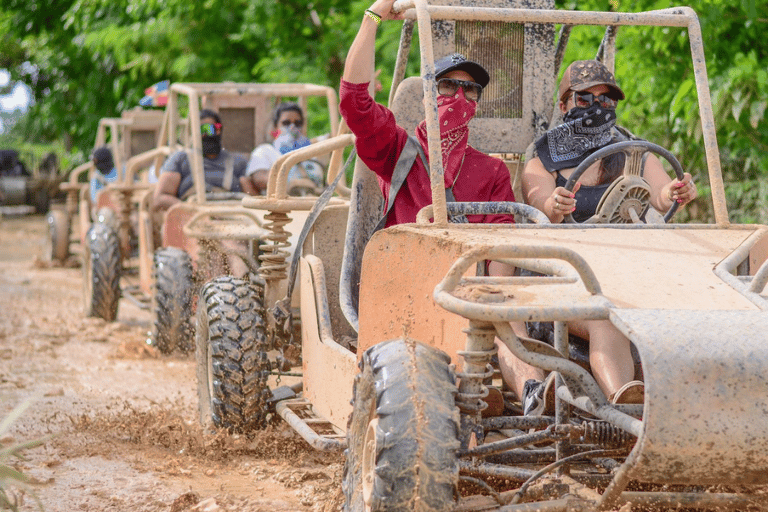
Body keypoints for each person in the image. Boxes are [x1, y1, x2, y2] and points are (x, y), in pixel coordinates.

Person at [339, 0, 541, 407]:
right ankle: (464, 388)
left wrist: (492, 290)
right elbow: (354, 101)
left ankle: (535, 396)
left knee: (505, 318)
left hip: (468, 293)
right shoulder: (396, 148)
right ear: (428, 92)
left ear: (478, 102)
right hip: (407, 286)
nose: (459, 95)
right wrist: (373, 18)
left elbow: (503, 239)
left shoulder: (492, 171)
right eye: (447, 85)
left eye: (470, 89)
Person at [520, 60, 698, 406]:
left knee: (682, 308)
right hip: (562, 283)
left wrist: (675, 191)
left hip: (626, 276)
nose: (597, 108)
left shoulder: (633, 153)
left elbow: (662, 196)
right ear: (564, 105)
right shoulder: (541, 159)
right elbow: (538, 200)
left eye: (606, 100)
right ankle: (626, 407)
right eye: (584, 99)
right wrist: (552, 203)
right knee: (608, 318)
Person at [153, 109, 252, 212]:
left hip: (233, 215)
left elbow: (253, 197)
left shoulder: (238, 162)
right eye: (203, 129)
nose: (208, 134)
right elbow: (160, 198)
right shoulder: (181, 159)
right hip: (192, 216)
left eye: (213, 129)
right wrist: (190, 211)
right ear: (194, 133)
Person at [246, 102, 324, 195]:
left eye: (297, 123)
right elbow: (259, 180)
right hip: (278, 206)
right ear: (276, 127)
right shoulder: (264, 151)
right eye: (286, 123)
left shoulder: (311, 154)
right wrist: (290, 183)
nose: (292, 128)